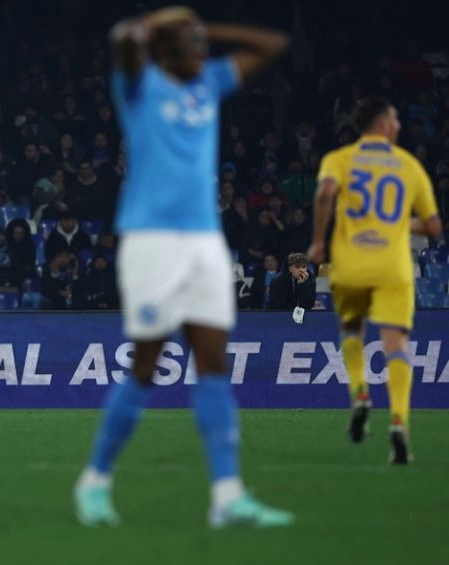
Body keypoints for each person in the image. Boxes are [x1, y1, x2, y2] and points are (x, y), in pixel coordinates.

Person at [74, 7, 292, 528]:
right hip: (152, 241)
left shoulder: (210, 82)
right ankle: (95, 482)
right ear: (167, 51)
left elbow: (272, 45)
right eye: (192, 46)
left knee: (215, 367)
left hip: (205, 242)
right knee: (146, 366)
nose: (203, 55)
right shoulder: (138, 84)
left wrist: (208, 29)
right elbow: (122, 38)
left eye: (203, 47)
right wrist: (162, 24)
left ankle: (227, 496)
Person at [308, 97, 442, 464]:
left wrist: (319, 241)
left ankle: (360, 393)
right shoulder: (409, 165)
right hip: (393, 267)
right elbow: (433, 227)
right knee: (396, 345)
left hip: (351, 264)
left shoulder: (339, 159)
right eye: (396, 119)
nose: (398, 125)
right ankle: (398, 422)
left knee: (351, 330)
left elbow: (323, 194)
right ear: (383, 124)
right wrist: (399, 222)